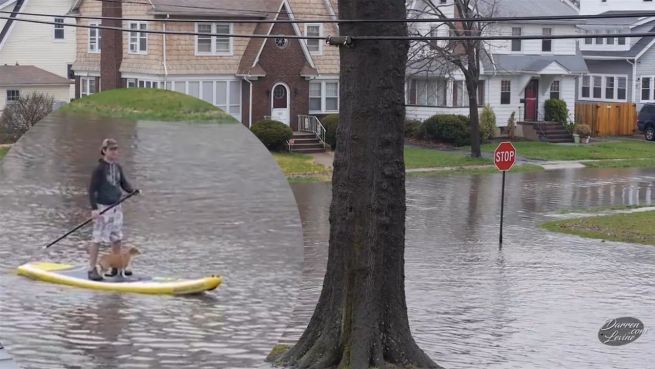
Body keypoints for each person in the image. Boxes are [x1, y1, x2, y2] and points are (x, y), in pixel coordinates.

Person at [87, 138, 139, 281]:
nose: (115, 152)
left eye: (116, 149)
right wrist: (94, 209)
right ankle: (91, 269)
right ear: (104, 151)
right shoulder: (99, 169)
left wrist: (132, 190)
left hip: (117, 207)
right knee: (97, 238)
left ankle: (115, 267)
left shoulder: (118, 167)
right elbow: (91, 190)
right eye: (112, 149)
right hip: (103, 208)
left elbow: (123, 184)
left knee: (116, 237)